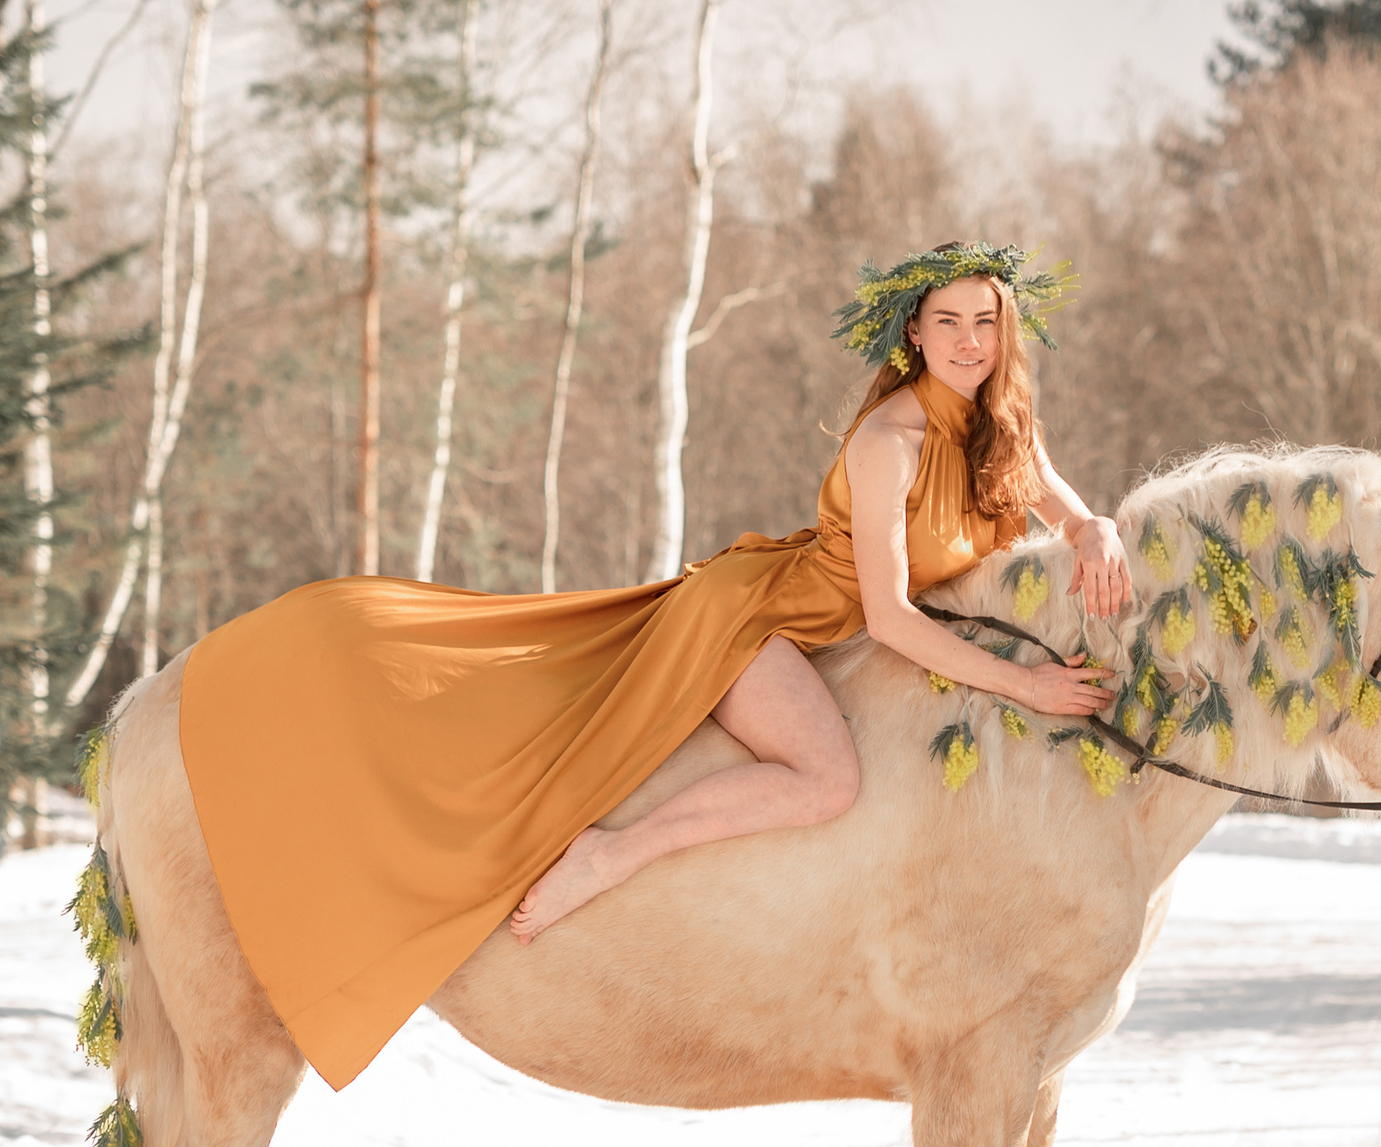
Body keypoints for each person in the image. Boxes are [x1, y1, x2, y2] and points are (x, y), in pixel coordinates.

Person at [175, 243, 1129, 1091]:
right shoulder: (893, 442)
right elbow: (889, 616)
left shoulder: (1002, 426)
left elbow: (1058, 500)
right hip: (766, 619)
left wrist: (1095, 530)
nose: (969, 342)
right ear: (913, 333)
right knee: (828, 778)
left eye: (985, 322)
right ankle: (610, 854)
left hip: (823, 624)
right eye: (947, 322)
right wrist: (1027, 685)